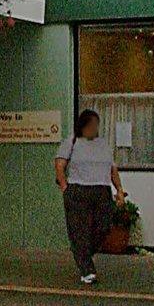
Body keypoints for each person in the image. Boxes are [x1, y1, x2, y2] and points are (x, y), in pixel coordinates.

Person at [55, 109, 125, 284]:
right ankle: (87, 269)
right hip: (79, 188)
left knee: (104, 225)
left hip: (101, 189)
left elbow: (112, 169)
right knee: (79, 230)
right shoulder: (71, 141)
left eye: (96, 125)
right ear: (83, 125)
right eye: (91, 125)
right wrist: (65, 187)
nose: (94, 128)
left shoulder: (103, 145)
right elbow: (59, 164)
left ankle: (85, 253)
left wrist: (119, 190)